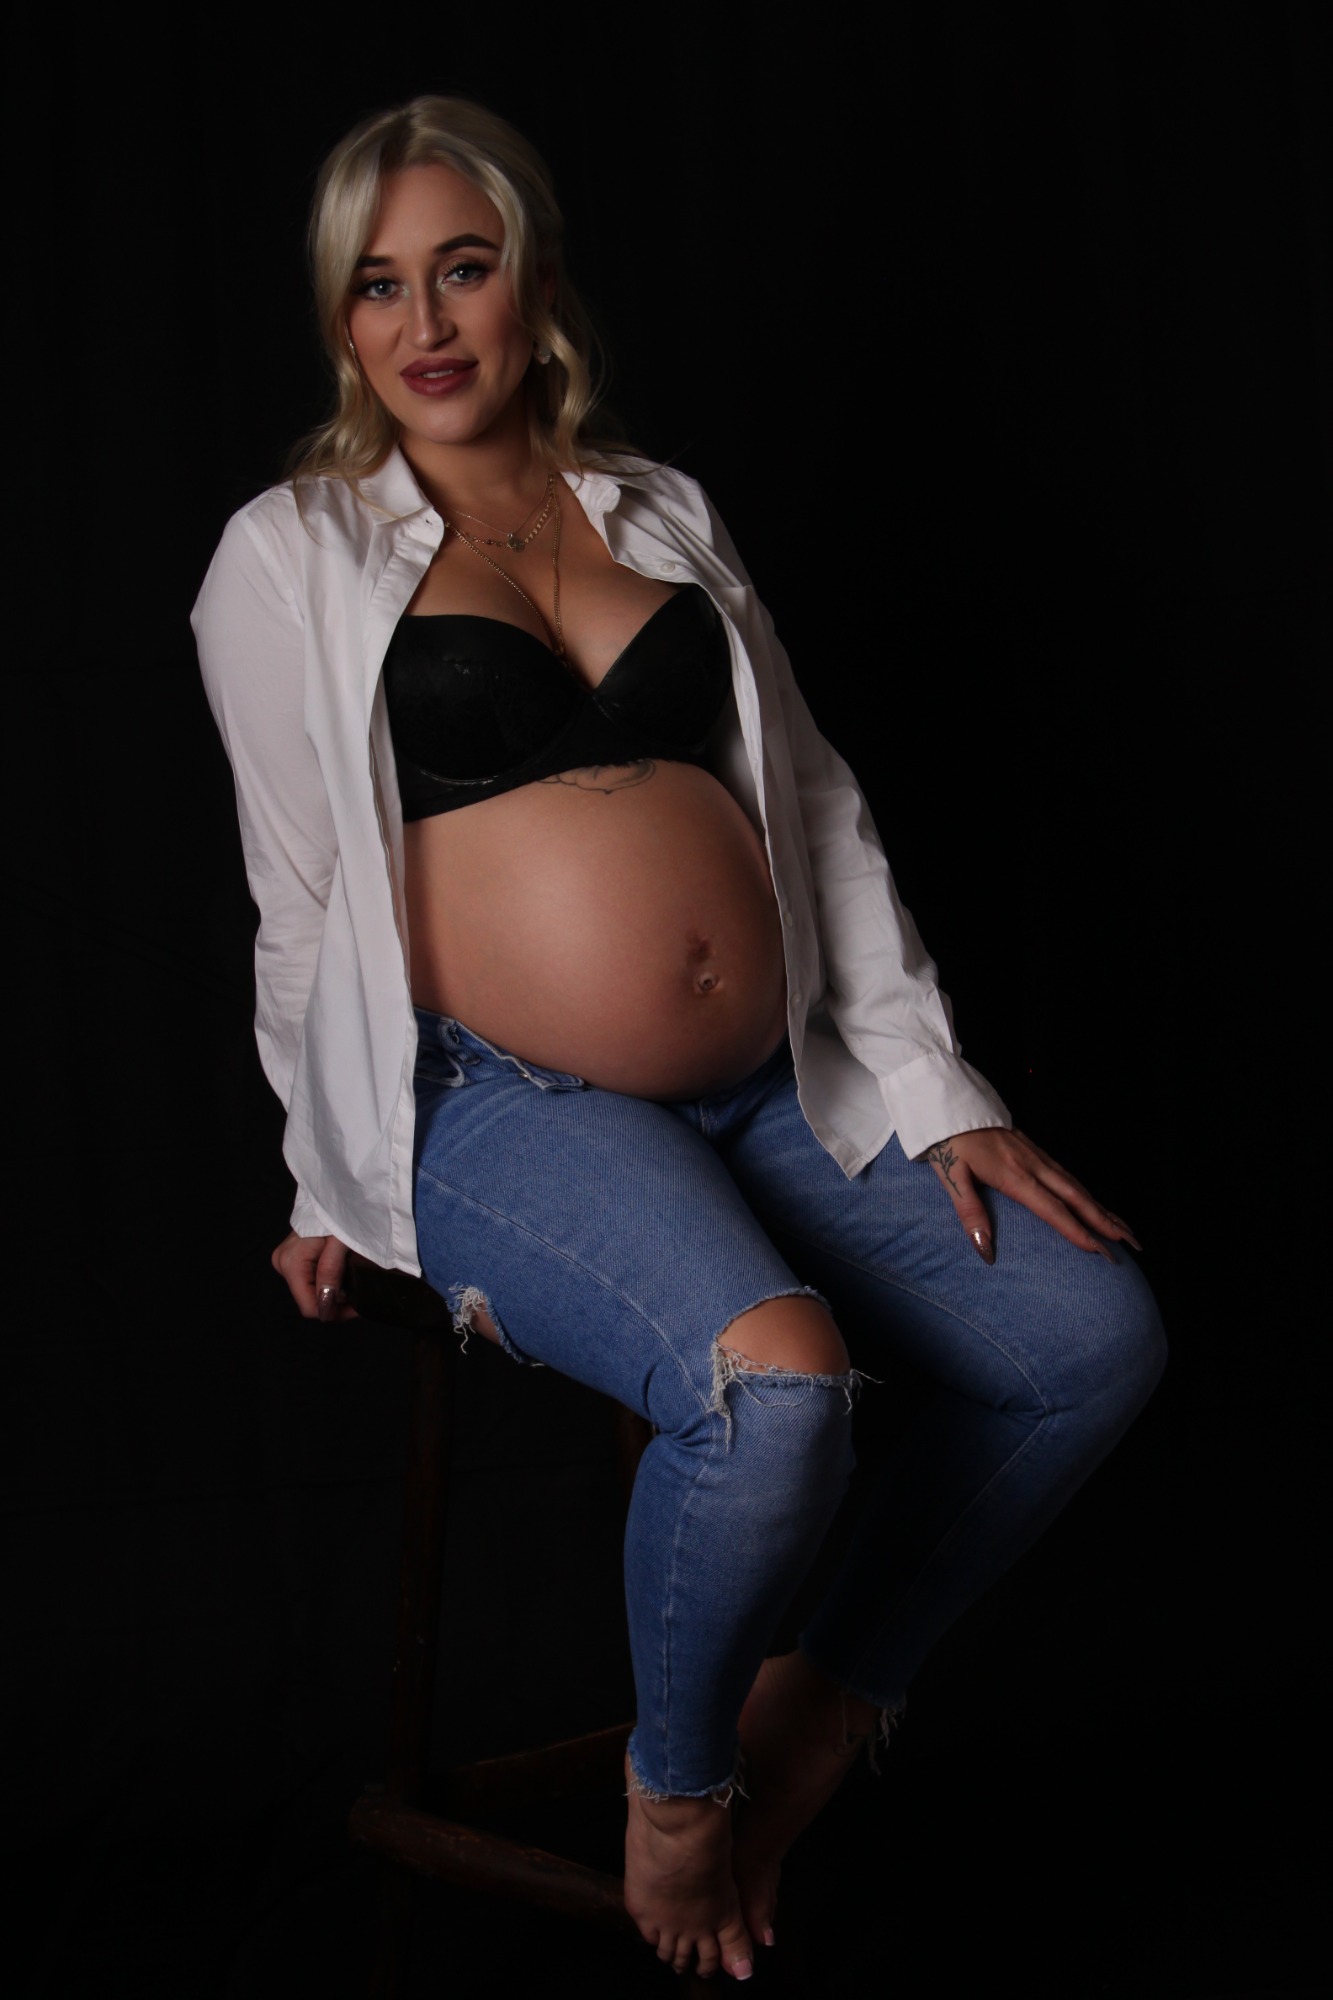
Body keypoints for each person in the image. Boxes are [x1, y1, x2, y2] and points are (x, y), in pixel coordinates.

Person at [193, 95, 1165, 1984]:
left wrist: (932, 1090)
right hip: (499, 1102)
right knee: (777, 1392)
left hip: (769, 1076)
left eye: (462, 268)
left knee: (1087, 1336)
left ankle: (823, 1700)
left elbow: (813, 808)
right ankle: (680, 1789)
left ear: (534, 281)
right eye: (377, 286)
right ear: (338, 320)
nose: (425, 323)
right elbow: (295, 893)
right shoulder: (288, 552)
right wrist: (327, 1180)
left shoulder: (660, 510)